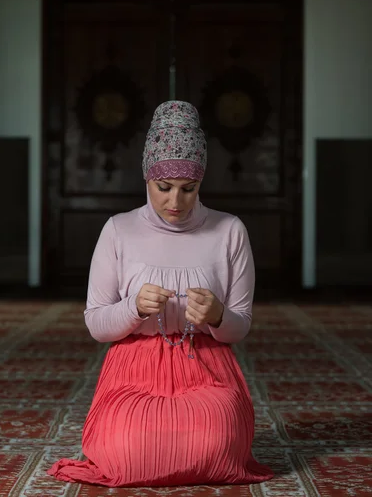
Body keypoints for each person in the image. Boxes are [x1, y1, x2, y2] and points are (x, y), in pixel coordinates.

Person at [48, 100, 273, 487]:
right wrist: (132, 309)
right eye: (163, 187)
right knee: (127, 446)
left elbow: (240, 328)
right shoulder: (119, 230)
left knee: (218, 440)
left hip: (207, 370)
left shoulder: (230, 230)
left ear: (201, 181)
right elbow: (97, 325)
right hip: (133, 370)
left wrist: (218, 315)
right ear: (146, 178)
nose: (175, 202)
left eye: (189, 189)